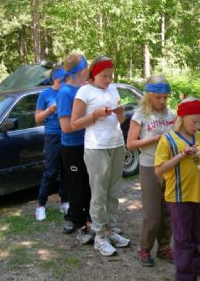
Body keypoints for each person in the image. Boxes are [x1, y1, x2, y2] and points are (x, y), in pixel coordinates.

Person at [71, 56, 130, 256]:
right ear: (94, 74)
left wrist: (120, 113)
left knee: (113, 192)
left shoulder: (113, 90)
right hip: (96, 147)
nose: (108, 79)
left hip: (117, 144)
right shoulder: (84, 91)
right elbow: (74, 124)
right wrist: (95, 115)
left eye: (111, 76)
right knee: (99, 193)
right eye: (104, 75)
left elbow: (120, 120)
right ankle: (99, 236)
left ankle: (111, 230)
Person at [155, 98, 200, 281]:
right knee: (182, 240)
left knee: (196, 238)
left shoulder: (199, 137)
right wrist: (181, 155)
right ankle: (185, 276)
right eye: (194, 121)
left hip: (196, 194)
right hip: (178, 197)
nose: (197, 125)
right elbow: (159, 169)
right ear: (182, 117)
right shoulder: (168, 139)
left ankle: (197, 273)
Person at [126, 75, 175, 267]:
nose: (162, 101)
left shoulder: (171, 115)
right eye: (158, 97)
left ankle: (164, 247)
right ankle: (144, 249)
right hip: (149, 166)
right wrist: (154, 139)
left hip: (170, 167)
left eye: (165, 97)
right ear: (148, 96)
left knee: (169, 210)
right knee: (152, 213)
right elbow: (130, 144)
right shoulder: (140, 115)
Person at [57, 52, 92, 241]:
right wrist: (92, 120)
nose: (88, 71)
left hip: (88, 143)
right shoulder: (65, 93)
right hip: (72, 146)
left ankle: (88, 215)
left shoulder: (82, 89)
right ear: (79, 71)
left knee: (88, 182)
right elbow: (65, 127)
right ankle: (74, 217)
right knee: (75, 184)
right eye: (86, 68)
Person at [35, 65, 69, 221]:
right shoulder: (45, 94)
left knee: (65, 169)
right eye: (64, 79)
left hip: (67, 134)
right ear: (57, 79)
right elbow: (37, 118)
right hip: (52, 135)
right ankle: (41, 205)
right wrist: (50, 110)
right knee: (51, 171)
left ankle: (65, 201)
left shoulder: (67, 92)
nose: (67, 81)